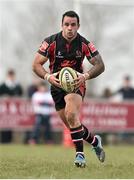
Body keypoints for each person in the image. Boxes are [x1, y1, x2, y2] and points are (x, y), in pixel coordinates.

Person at [32, 10, 105, 167]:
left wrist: (85, 76)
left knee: (71, 114)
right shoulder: (51, 42)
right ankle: (95, 141)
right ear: (62, 25)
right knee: (73, 124)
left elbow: (100, 65)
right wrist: (47, 77)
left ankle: (80, 156)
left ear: (78, 26)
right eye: (67, 24)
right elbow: (36, 64)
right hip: (56, 86)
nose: (70, 28)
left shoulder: (84, 43)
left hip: (76, 85)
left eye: (73, 25)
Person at [0, 69, 23, 143]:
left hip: (14, 110)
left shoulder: (17, 86)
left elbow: (20, 95)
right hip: (4, 110)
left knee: (13, 125)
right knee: (5, 124)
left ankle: (11, 140)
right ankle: (4, 140)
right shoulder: (3, 86)